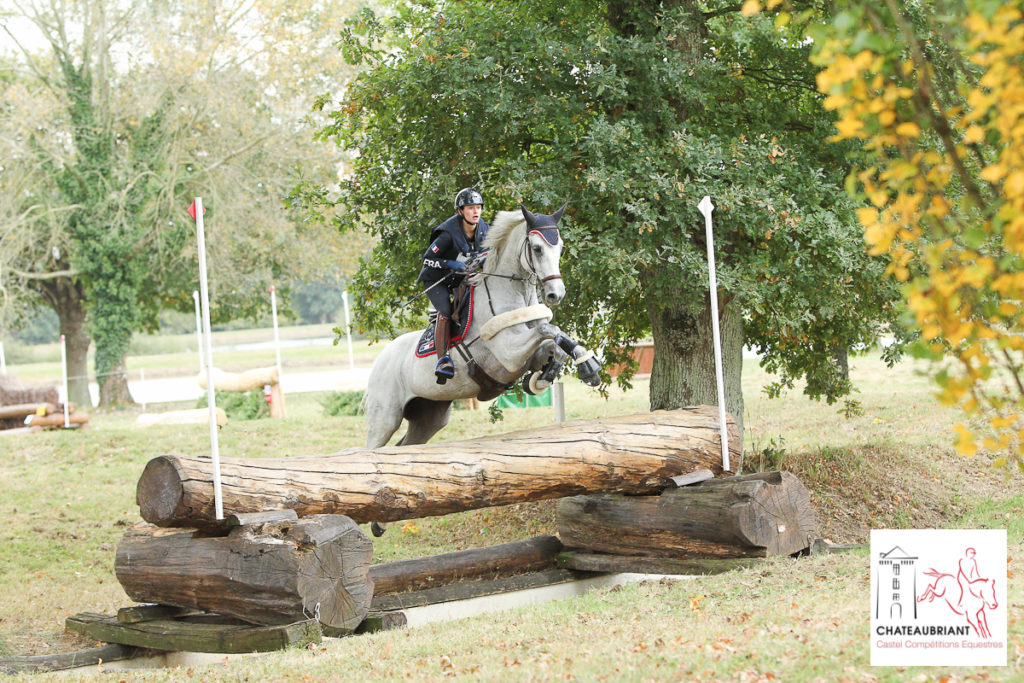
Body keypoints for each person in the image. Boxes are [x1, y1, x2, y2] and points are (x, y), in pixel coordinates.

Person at [417, 187, 490, 383]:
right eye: (470, 208)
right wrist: (449, 263)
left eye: (478, 207)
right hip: (436, 280)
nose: (475, 212)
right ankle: (442, 360)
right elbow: (427, 259)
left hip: (460, 279)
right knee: (446, 311)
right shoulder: (447, 234)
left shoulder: (485, 230)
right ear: (460, 211)